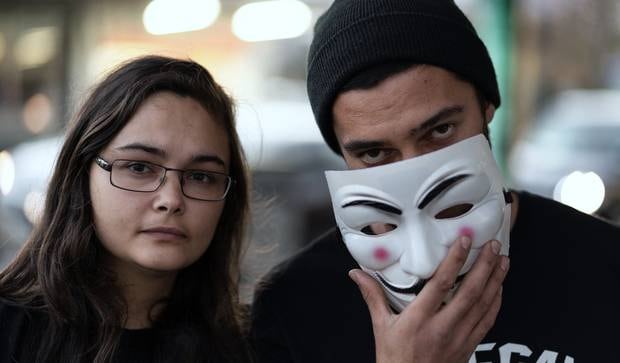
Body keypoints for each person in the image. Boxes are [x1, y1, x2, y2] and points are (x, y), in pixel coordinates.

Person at [250, 1, 620, 362]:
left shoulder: (604, 269)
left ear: (486, 107)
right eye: (375, 154)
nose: (419, 170)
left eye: (440, 131)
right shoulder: (294, 307)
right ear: (343, 155)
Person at [0, 55, 253, 362]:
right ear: (82, 174)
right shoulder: (11, 331)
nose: (171, 200)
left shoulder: (251, 345)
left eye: (201, 177)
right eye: (138, 167)